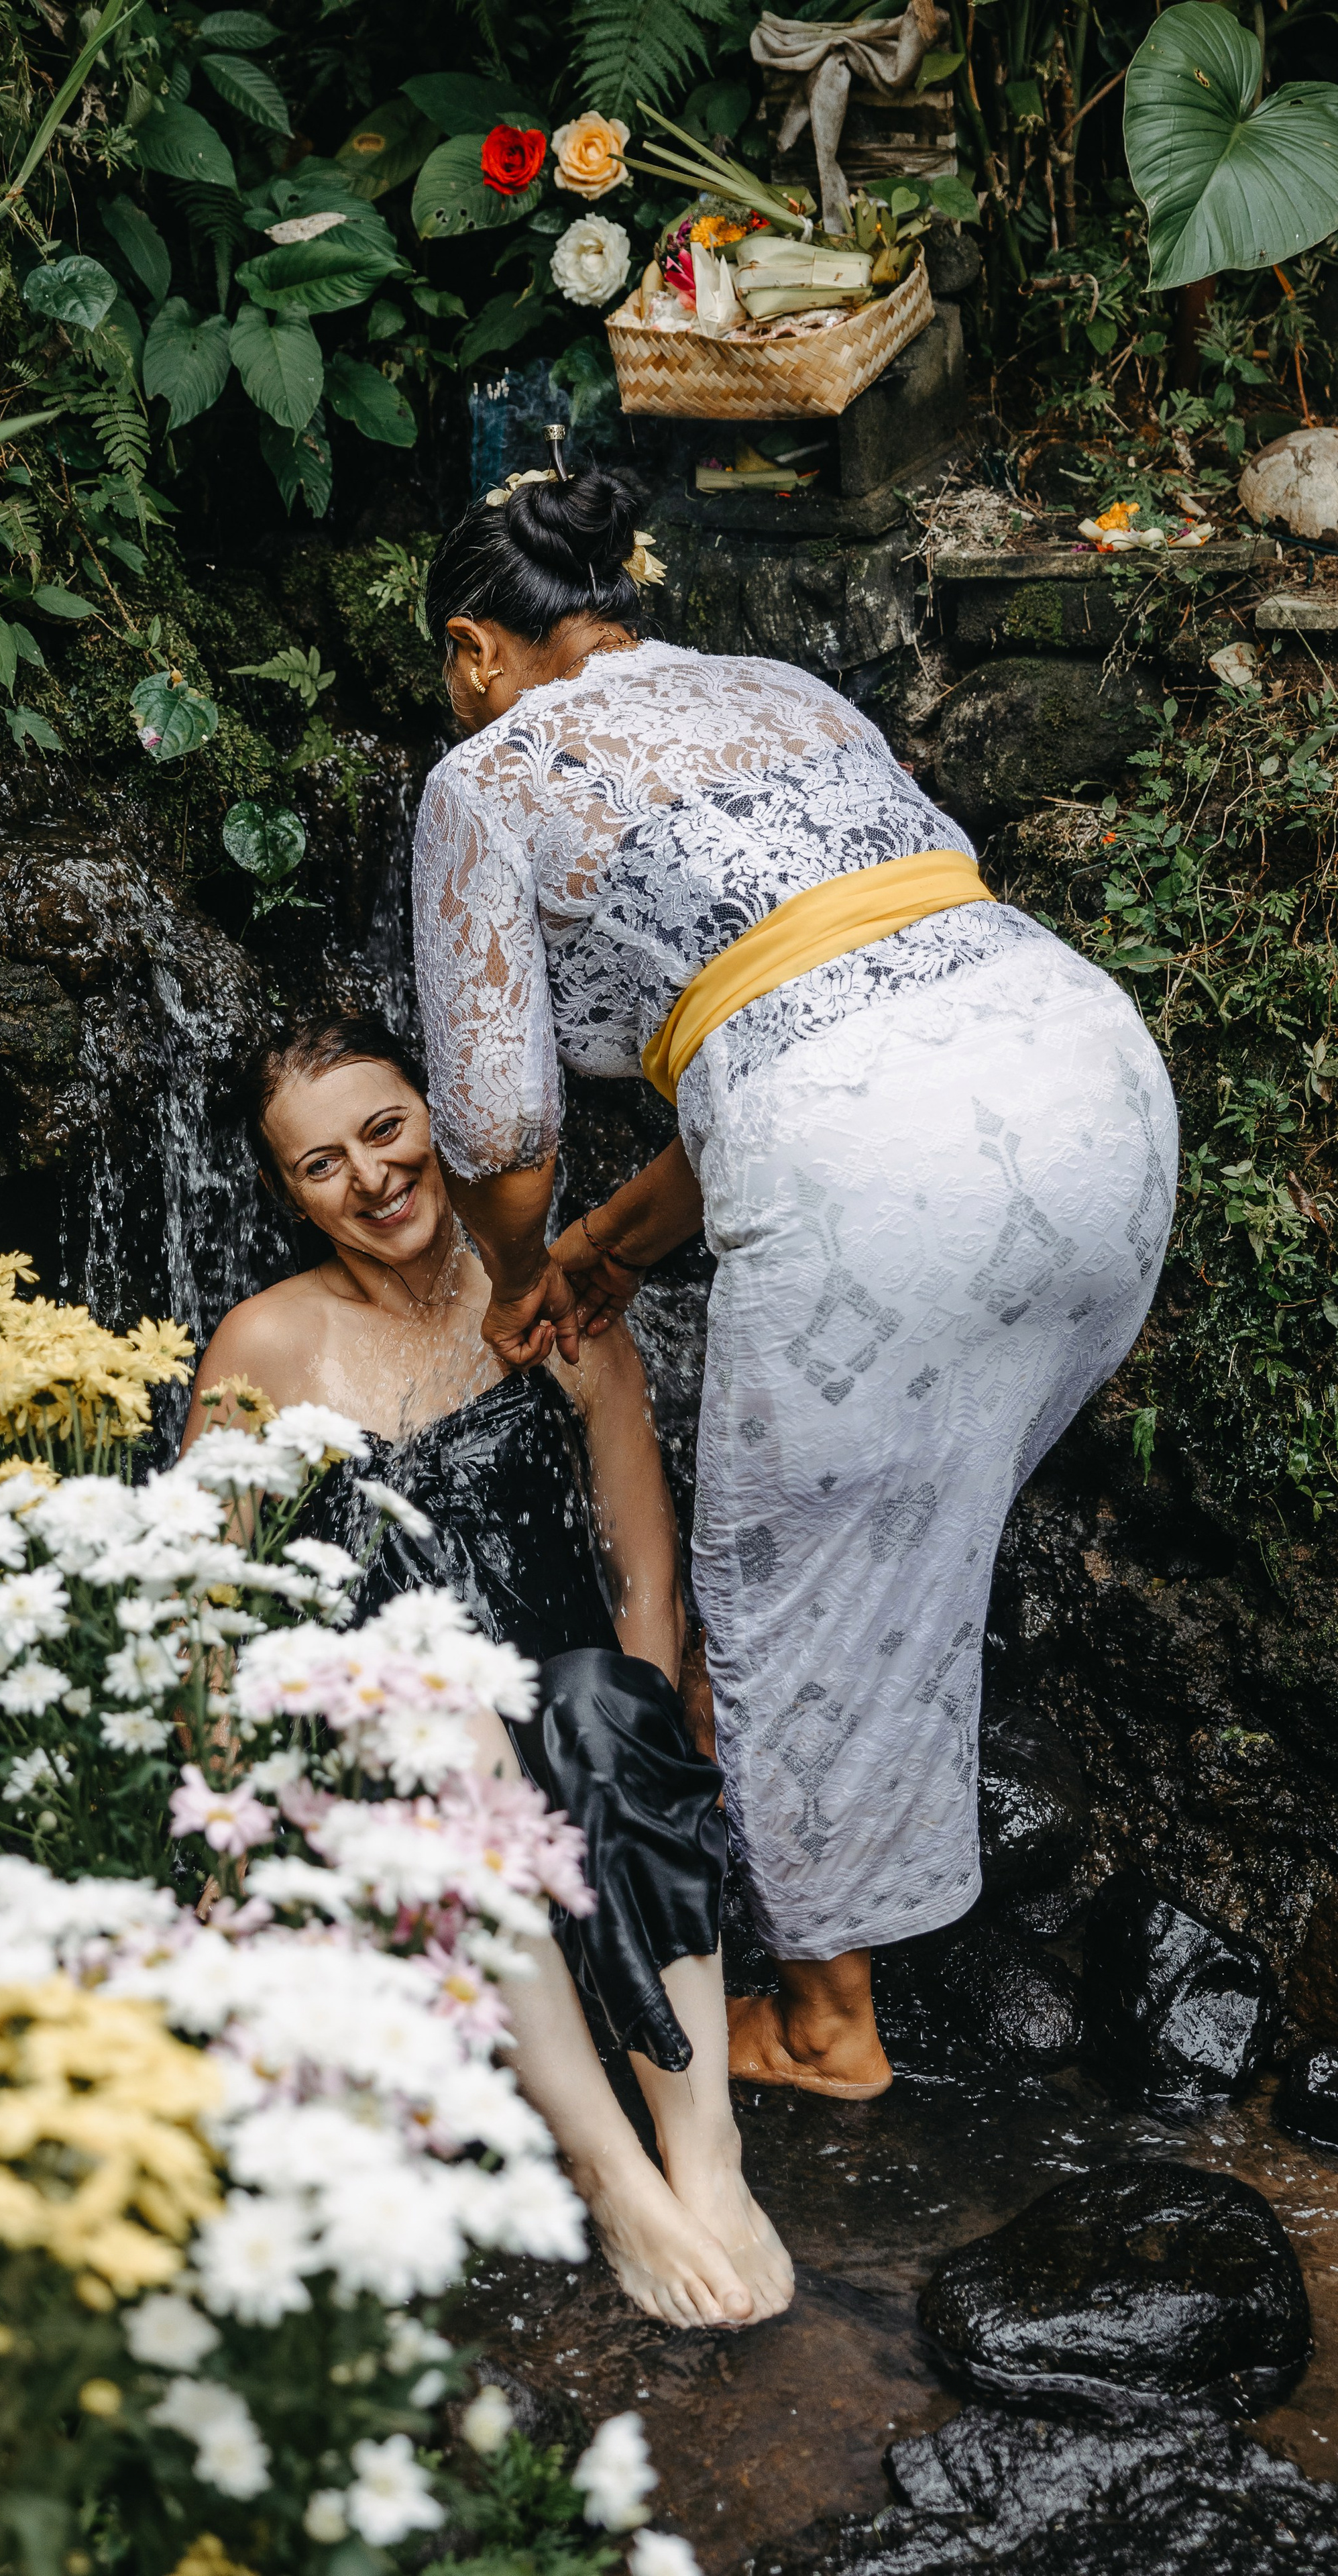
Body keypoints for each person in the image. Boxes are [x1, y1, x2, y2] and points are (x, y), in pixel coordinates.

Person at [410, 449, 1178, 2104]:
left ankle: (829, 2026)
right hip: (1091, 1093)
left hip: (870, 1170)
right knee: (892, 1534)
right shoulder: (784, 691)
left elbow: (496, 1130)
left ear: (475, 651)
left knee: (774, 1590)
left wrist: (521, 1266)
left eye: (446, 673)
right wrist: (615, 1258)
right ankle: (841, 1878)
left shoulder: (489, 771)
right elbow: (803, 1005)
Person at [186, 1012, 794, 2331]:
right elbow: (207, 1621)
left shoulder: (553, 1299)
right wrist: (230, 1852)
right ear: (288, 1193)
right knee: (454, 1719)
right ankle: (607, 2169)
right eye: (319, 1163)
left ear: (438, 1124)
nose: (370, 1176)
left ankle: (704, 2152)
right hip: (397, 1767)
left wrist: (638, 1770)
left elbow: (641, 1567)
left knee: (592, 1696)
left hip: (567, 1730)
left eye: (385, 1129)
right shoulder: (263, 1350)